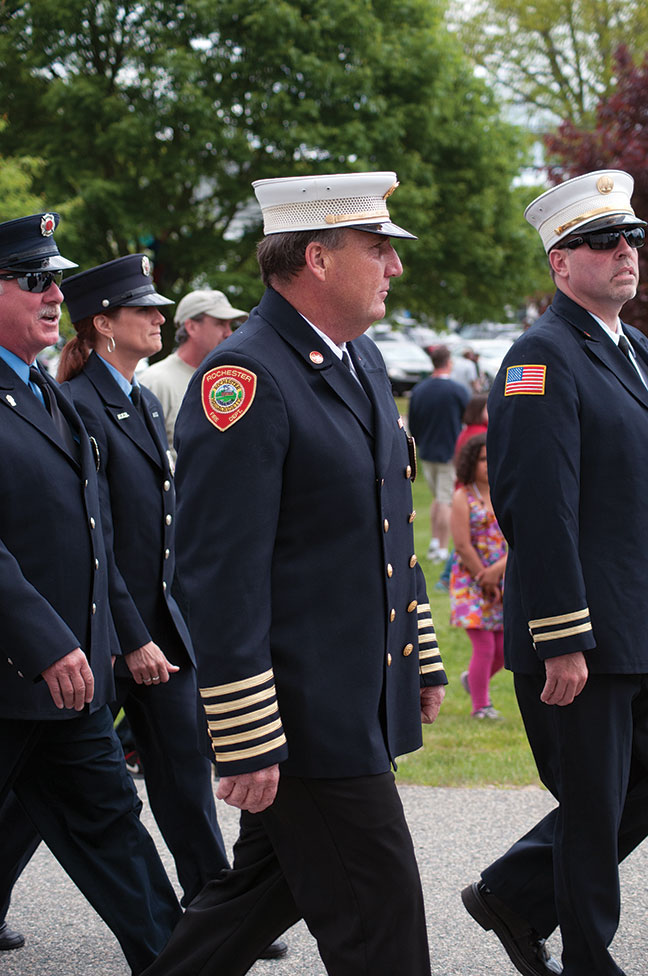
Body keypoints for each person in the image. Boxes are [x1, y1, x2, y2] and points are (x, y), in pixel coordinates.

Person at [143, 170, 447, 976]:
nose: (395, 266)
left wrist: (418, 650)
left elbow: (385, 529)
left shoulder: (361, 360)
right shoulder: (245, 380)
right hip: (304, 722)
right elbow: (218, 574)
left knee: (250, 905)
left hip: (351, 702)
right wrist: (245, 737)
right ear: (318, 256)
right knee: (384, 928)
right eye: (378, 248)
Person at [56, 256, 286, 962]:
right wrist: (130, 637)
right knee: (44, 786)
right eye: (144, 310)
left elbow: (162, 520)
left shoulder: (142, 399)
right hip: (107, 628)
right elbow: (100, 539)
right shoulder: (77, 403)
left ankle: (214, 909)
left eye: (162, 309)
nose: (161, 318)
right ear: (102, 323)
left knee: (185, 768)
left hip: (160, 623)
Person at [462, 170, 648, 976]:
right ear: (559, 264)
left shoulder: (633, 349)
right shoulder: (539, 358)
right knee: (595, 801)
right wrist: (564, 636)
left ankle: (511, 891)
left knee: (624, 794)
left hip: (638, 619)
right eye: (603, 241)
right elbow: (538, 506)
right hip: (586, 628)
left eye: (633, 237)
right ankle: (587, 957)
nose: (625, 253)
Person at [0, 213, 181, 974]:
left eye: (55, 280)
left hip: (67, 683)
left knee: (114, 828)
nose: (53, 295)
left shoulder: (48, 393)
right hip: (19, 670)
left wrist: (122, 636)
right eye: (33, 280)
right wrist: (43, 641)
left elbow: (94, 540)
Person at [139, 288, 248, 452]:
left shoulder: (228, 380)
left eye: (230, 325)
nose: (229, 333)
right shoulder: (156, 381)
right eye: (220, 323)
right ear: (191, 327)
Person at [449, 434, 506, 719]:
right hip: (472, 581)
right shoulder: (463, 496)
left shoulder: (503, 492)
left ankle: (472, 680)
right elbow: (462, 543)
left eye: (491, 457)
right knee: (484, 645)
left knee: (505, 648)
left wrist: (499, 572)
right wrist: (485, 576)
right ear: (471, 462)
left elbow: (516, 537)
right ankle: (481, 706)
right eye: (482, 459)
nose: (488, 464)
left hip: (503, 577)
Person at [409, 344, 469, 561]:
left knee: (438, 497)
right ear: (449, 363)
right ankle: (442, 548)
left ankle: (435, 541)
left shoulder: (419, 390)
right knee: (446, 500)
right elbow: (469, 418)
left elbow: (413, 424)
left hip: (426, 450)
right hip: (449, 452)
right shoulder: (457, 390)